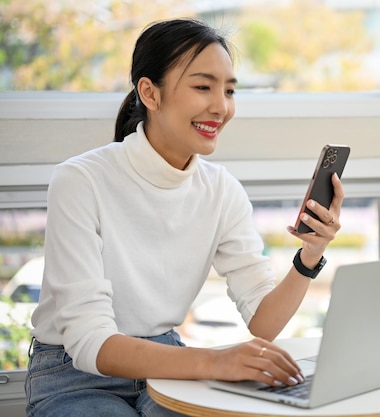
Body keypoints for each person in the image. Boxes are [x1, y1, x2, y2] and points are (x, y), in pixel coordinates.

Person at [25, 18, 344, 417]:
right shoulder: (81, 179)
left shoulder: (221, 189)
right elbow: (91, 343)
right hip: (74, 375)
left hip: (171, 364)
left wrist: (311, 255)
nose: (221, 106)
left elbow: (264, 321)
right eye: (202, 86)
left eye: (229, 90)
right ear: (150, 93)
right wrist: (215, 361)